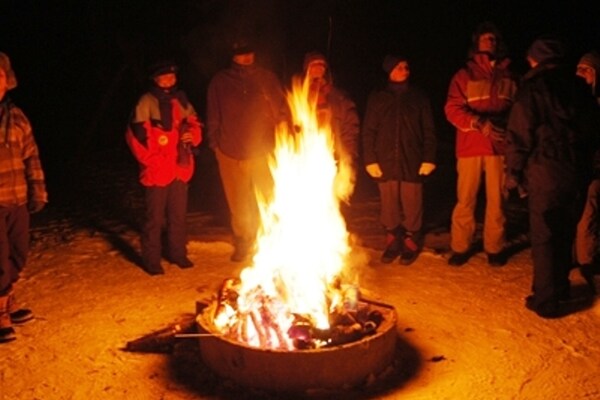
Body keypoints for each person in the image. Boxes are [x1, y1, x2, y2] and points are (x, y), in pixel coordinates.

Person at [505, 37, 600, 318]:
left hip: (544, 172)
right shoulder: (579, 89)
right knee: (564, 233)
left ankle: (546, 301)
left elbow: (519, 135)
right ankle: (559, 289)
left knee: (545, 238)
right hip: (575, 172)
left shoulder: (532, 89)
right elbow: (594, 130)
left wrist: (513, 172)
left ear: (538, 59)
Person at [444, 21, 518, 267]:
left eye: (494, 39)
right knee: (465, 199)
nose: (490, 42)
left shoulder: (510, 76)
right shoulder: (464, 75)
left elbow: (519, 112)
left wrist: (505, 125)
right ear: (476, 42)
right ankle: (460, 246)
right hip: (470, 146)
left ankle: (494, 247)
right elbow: (452, 109)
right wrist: (477, 122)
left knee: (498, 200)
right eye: (486, 38)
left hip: (499, 148)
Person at [206, 38, 286, 262]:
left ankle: (273, 239)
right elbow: (213, 115)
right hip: (230, 150)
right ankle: (244, 241)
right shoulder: (220, 82)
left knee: (269, 197)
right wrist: (215, 144)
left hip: (262, 150)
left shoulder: (266, 78)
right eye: (241, 53)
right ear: (233, 56)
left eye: (249, 52)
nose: (246, 57)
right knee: (239, 203)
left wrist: (282, 131)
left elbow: (281, 109)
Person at [126, 60, 202, 275]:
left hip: (180, 167)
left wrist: (192, 137)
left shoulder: (181, 99)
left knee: (178, 215)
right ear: (155, 79)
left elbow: (195, 124)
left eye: (172, 76)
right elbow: (135, 136)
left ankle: (178, 254)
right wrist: (152, 161)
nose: (169, 80)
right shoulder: (146, 102)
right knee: (155, 219)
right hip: (157, 171)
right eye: (164, 77)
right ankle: (151, 260)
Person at [362, 55, 437, 265]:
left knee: (413, 203)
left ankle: (411, 240)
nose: (405, 70)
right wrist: (370, 159)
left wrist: (429, 157)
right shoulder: (378, 97)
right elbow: (369, 130)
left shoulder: (418, 97)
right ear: (390, 71)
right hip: (385, 160)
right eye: (400, 67)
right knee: (389, 204)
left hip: (412, 159)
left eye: (406, 66)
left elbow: (429, 130)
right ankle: (393, 240)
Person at [0, 52, 47, 343]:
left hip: (17, 199)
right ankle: (0, 311)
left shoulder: (17, 116)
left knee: (19, 252)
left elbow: (31, 156)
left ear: (7, 79)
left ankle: (8, 299)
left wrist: (38, 190)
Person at [301, 51, 360, 169]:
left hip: (333, 158)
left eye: (321, 65)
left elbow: (350, 130)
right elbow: (285, 124)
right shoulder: (297, 97)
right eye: (314, 64)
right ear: (307, 69)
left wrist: (348, 157)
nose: (318, 68)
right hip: (303, 158)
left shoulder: (340, 98)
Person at [573, 50, 600, 293]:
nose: (581, 74)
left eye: (587, 70)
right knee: (586, 213)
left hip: (596, 164)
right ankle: (585, 260)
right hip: (579, 166)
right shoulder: (572, 100)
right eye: (579, 69)